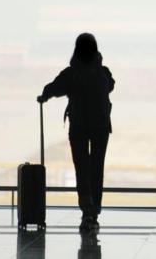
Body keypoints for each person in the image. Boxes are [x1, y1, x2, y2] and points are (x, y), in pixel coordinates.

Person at [37, 33, 115, 231]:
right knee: (97, 168)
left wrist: (44, 96)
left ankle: (87, 210)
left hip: (78, 127)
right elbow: (111, 85)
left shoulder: (72, 73)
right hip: (101, 127)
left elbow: (55, 87)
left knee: (81, 168)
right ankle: (95, 211)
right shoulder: (103, 72)